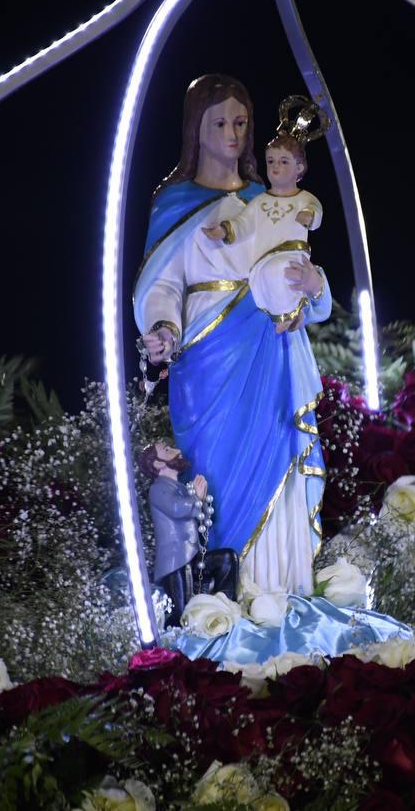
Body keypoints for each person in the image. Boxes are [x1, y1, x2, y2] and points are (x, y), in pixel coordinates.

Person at [132, 75, 331, 596]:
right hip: (206, 357)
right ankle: (215, 599)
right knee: (211, 475)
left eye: (240, 121)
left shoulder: (269, 198)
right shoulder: (175, 203)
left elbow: (296, 267)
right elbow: (163, 284)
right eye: (219, 121)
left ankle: (276, 585)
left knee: (273, 452)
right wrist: (162, 329)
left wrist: (314, 289)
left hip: (268, 347)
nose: (232, 132)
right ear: (195, 128)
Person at [203, 132, 323, 329]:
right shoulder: (260, 202)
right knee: (263, 280)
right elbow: (243, 223)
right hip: (263, 258)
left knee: (282, 273)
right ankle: (281, 316)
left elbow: (315, 210)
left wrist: (309, 216)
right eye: (271, 161)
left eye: (284, 162)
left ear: (299, 168)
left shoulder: (303, 198)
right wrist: (225, 231)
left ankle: (291, 313)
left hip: (290, 253)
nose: (275, 166)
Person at [137, 440, 236, 625]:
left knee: (227, 558)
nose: (176, 451)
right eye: (167, 450)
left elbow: (203, 518)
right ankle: (176, 645)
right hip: (175, 563)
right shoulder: (157, 489)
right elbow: (176, 509)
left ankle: (226, 608)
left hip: (193, 556)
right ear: (158, 463)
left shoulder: (183, 489)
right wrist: (196, 498)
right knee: (179, 613)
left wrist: (202, 500)